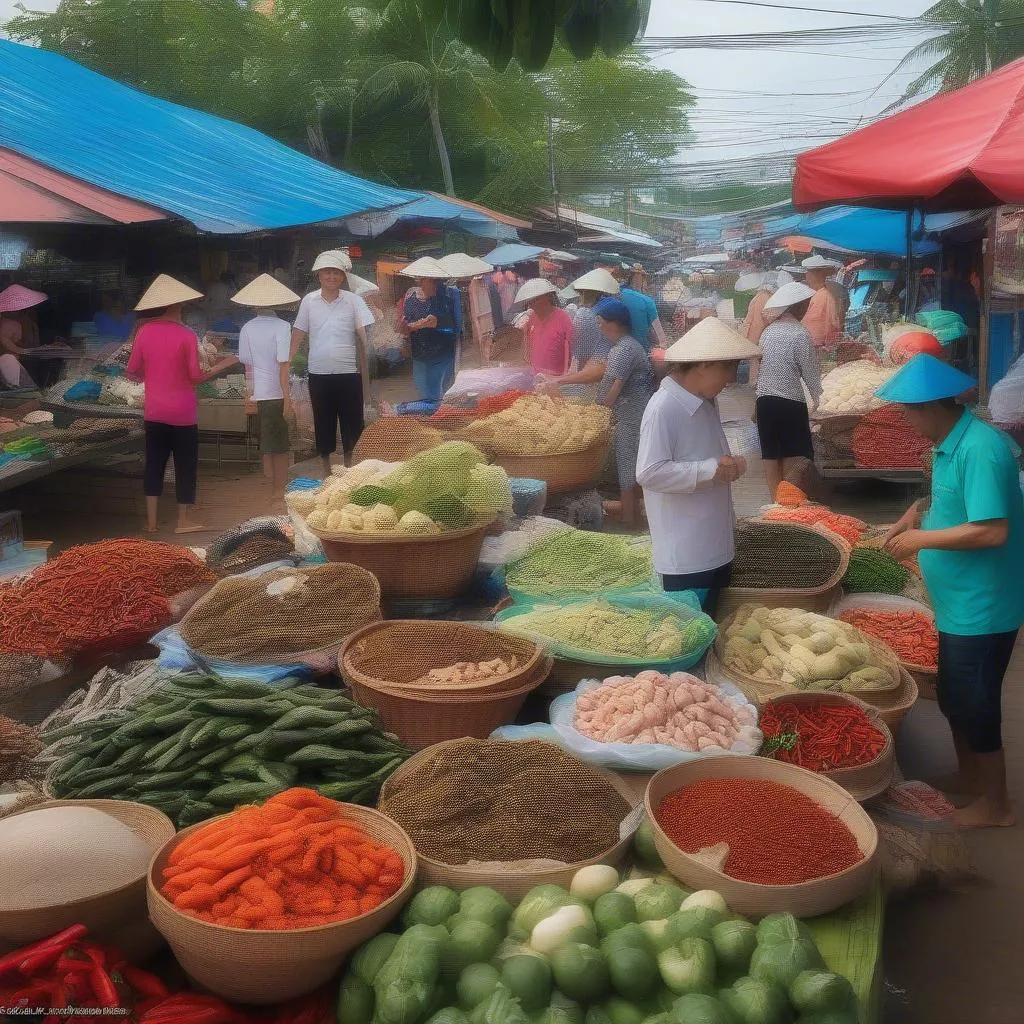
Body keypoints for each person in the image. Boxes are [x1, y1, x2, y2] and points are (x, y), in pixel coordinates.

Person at [880, 355, 1024, 829]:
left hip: (982, 605)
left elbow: (991, 530)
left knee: (977, 702)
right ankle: (969, 775)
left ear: (930, 407)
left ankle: (996, 805)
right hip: (956, 602)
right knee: (955, 696)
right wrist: (915, 514)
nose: (904, 420)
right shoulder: (949, 443)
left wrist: (919, 541)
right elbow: (950, 500)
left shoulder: (981, 449)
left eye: (907, 411)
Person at [636, 318, 761, 618]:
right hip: (686, 550)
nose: (731, 378)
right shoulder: (663, 407)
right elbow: (649, 472)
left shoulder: (706, 401)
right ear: (704, 364)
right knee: (690, 626)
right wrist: (708, 470)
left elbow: (707, 455)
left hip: (714, 538)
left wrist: (726, 467)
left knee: (713, 621)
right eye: (728, 368)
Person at [126, 274, 237, 534]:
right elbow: (196, 377)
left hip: (154, 411)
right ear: (181, 305)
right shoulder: (187, 335)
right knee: (185, 466)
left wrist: (153, 376)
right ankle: (183, 522)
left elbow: (132, 371)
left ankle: (152, 523)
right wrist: (223, 364)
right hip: (183, 413)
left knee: (154, 463)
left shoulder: (144, 332)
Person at [291, 249, 375, 476]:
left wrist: (367, 350)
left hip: (348, 372)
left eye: (337, 273)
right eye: (327, 272)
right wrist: (287, 361)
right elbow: (298, 332)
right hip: (318, 372)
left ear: (343, 277)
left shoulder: (353, 300)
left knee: (352, 422)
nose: (332, 277)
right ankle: (326, 469)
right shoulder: (309, 301)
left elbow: (363, 332)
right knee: (323, 421)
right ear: (319, 275)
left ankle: (350, 468)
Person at [233, 273, 302, 507]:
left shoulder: (247, 328)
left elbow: (245, 361)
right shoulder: (283, 326)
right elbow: (284, 363)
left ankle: (273, 486)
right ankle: (277, 491)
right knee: (280, 446)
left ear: (253, 304)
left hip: (259, 392)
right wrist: (287, 399)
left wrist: (249, 392)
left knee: (267, 443)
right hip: (276, 392)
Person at [592, 297, 656, 528]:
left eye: (601, 322)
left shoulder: (624, 349)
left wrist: (598, 412)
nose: (599, 327)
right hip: (634, 411)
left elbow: (613, 388)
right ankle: (634, 513)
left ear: (614, 323)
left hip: (633, 414)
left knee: (628, 465)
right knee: (634, 465)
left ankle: (629, 519)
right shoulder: (626, 346)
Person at [756, 281, 822, 500]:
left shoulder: (768, 332)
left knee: (770, 452)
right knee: (793, 452)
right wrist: (818, 399)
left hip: (765, 401)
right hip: (790, 402)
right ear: (799, 307)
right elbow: (810, 372)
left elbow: (762, 367)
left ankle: (775, 500)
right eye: (806, 306)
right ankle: (791, 500)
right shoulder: (800, 334)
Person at [536, 268, 619, 398]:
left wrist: (557, 380)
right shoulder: (613, 313)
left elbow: (583, 358)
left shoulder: (585, 315)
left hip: (591, 384)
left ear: (584, 293)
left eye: (581, 293)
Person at [399, 256, 457, 405]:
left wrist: (439, 323)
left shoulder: (450, 295)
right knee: (423, 391)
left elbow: (457, 326)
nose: (432, 284)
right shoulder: (411, 297)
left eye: (434, 280)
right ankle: (431, 419)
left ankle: (439, 419)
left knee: (436, 393)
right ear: (421, 280)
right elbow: (406, 323)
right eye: (428, 280)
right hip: (419, 354)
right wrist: (408, 327)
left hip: (442, 354)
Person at [515, 278, 573, 377]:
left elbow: (570, 351)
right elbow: (526, 354)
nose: (531, 303)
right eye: (530, 300)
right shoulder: (530, 318)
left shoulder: (563, 318)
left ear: (548, 297)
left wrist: (564, 377)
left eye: (536, 299)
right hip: (535, 374)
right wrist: (524, 333)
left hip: (557, 376)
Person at [0, 284, 49, 388]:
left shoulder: (27, 322)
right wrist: (23, 351)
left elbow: (31, 345)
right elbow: (9, 344)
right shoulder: (7, 360)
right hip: (12, 363)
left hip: (26, 362)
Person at [614, 265, 670, 352]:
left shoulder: (614, 295)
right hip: (640, 349)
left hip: (615, 347)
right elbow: (661, 337)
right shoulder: (647, 301)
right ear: (642, 280)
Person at [801, 255, 844, 348]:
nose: (806, 276)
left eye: (808, 272)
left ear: (814, 275)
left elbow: (816, 328)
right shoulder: (820, 294)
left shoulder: (822, 296)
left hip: (817, 346)